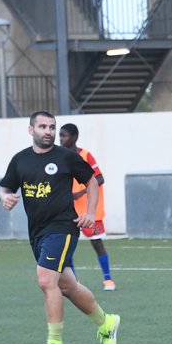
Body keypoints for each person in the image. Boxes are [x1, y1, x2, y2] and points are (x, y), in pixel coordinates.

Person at [0, 111, 120, 344]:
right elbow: (5, 186)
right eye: (42, 127)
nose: (49, 131)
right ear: (31, 130)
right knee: (67, 286)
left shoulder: (67, 157)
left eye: (52, 127)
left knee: (45, 280)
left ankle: (54, 343)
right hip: (37, 233)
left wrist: (89, 212)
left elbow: (93, 182)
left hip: (63, 228)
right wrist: (5, 197)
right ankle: (106, 322)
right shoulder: (20, 160)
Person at [59, 123, 116, 291]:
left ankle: (108, 279)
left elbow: (99, 179)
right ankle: (74, 282)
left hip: (90, 210)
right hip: (69, 210)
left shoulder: (85, 155)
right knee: (68, 246)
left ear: (74, 137)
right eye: (60, 136)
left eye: (64, 135)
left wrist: (81, 192)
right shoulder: (59, 156)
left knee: (97, 243)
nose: (61, 139)